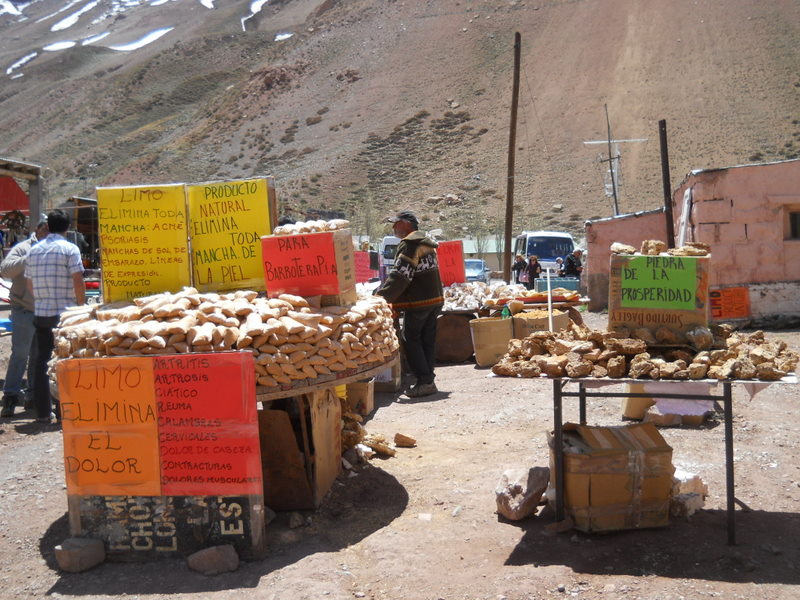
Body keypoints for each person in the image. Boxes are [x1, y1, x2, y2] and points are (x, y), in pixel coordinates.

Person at [375, 210, 443, 398]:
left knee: (410, 338)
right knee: (427, 340)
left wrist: (381, 297)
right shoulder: (427, 243)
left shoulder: (410, 244)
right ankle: (428, 378)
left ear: (405, 224)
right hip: (435, 299)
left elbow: (400, 276)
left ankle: (424, 381)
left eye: (396, 223)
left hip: (420, 301)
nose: (393, 227)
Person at [25, 209, 85, 424]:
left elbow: (29, 284)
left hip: (42, 313)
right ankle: (64, 410)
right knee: (65, 360)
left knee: (42, 361)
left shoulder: (33, 251)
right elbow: (77, 280)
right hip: (65, 315)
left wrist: (42, 299)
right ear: (68, 227)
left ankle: (42, 412)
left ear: (48, 226)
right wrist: (81, 307)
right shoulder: (70, 249)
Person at [0, 219, 48, 418]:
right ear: (38, 230)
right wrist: (29, 257)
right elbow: (5, 270)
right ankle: (10, 397)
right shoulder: (23, 248)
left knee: (40, 356)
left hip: (46, 312)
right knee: (20, 354)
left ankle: (33, 396)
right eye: (46, 229)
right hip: (24, 310)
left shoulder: (56, 248)